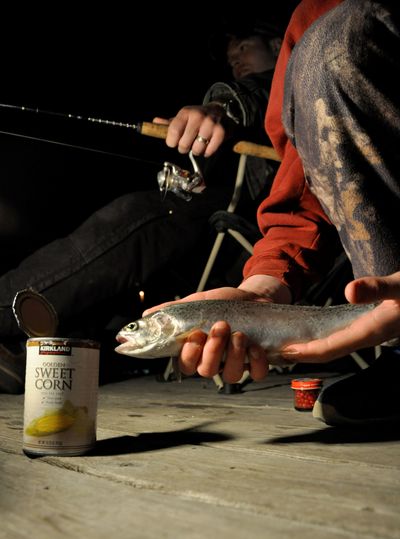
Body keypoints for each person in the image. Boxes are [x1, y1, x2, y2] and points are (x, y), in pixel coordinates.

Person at [145, 0, 400, 427]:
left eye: (244, 48)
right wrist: (263, 288)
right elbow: (307, 189)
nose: (236, 60)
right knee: (325, 38)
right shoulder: (311, 20)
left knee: (340, 36)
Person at [0, 18, 285, 393]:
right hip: (210, 236)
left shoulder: (290, 86)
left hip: (253, 227)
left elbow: (253, 94)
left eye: (244, 47)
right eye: (230, 57)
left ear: (280, 44)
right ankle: (29, 356)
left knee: (137, 215)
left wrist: (218, 107)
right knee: (125, 264)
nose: (236, 60)